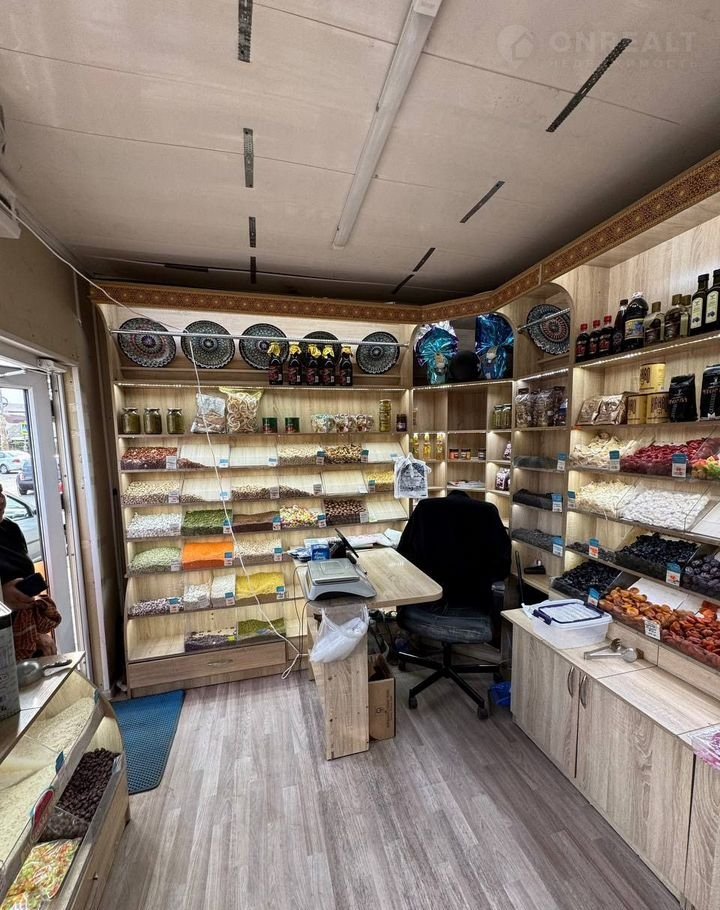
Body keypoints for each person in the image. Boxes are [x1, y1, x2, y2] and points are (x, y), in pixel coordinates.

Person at [397, 490, 511, 627]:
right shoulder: (488, 511)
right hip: (473, 602)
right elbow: (503, 566)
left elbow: (403, 553)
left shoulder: (424, 508)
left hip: (427, 600)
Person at [0, 484, 60, 659]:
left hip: (23, 633)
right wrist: (3, 598)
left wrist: (36, 633)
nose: (1, 500)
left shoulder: (10, 529)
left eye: (0, 492)